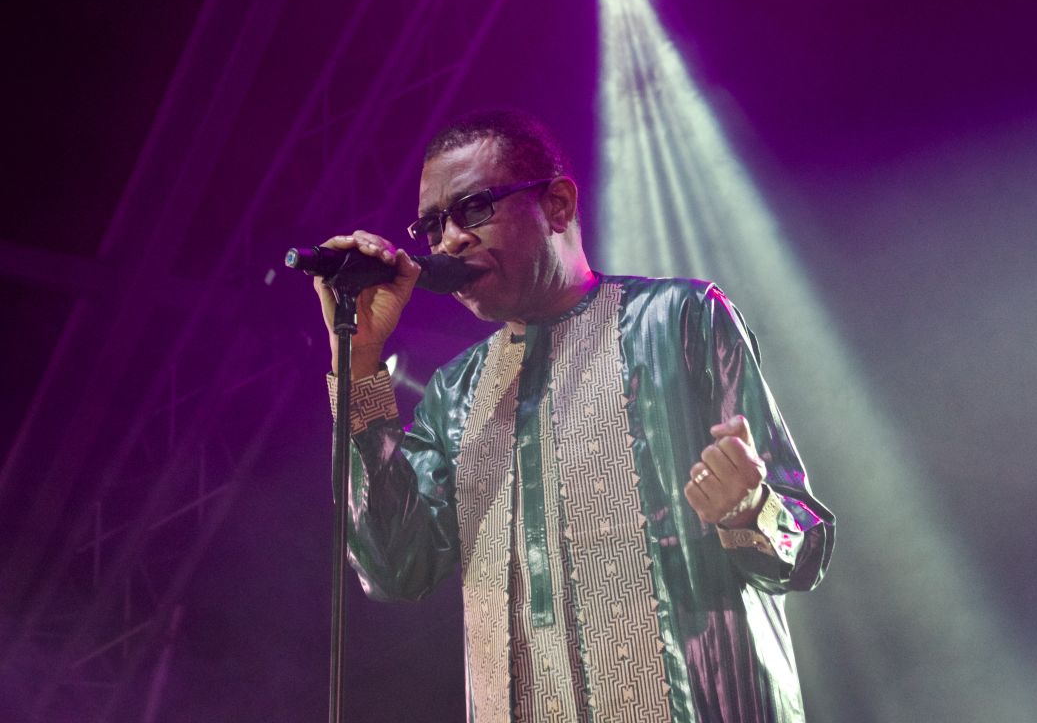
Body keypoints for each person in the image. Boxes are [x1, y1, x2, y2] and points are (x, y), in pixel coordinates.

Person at [313, 110, 834, 723]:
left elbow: (805, 547)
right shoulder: (455, 393)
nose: (449, 240)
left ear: (557, 205)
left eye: (474, 208)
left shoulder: (681, 319)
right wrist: (359, 365)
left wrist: (750, 510)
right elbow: (394, 570)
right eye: (433, 225)